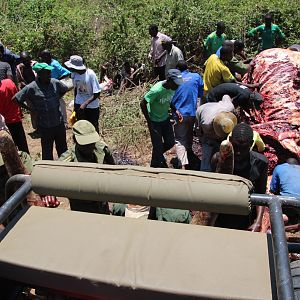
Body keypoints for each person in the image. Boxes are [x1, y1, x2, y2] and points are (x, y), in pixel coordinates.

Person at [214, 123, 268, 231]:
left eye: (243, 148)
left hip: (246, 219)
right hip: (221, 216)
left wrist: (257, 222)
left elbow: (261, 193)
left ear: (251, 144)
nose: (238, 152)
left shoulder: (260, 163)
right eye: (236, 146)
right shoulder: (218, 160)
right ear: (230, 142)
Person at [13, 63, 68, 160]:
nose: (49, 75)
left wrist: (57, 98)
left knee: (63, 151)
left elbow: (65, 89)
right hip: (45, 126)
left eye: (50, 73)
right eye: (47, 73)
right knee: (47, 152)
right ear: (40, 74)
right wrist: (31, 109)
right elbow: (15, 99)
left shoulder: (55, 82)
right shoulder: (31, 87)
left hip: (58, 123)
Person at [59, 120, 114, 213]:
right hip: (81, 207)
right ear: (75, 140)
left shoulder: (103, 149)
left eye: (91, 142)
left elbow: (113, 169)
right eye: (85, 144)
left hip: (102, 203)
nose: (89, 146)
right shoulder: (67, 160)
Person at [140, 69, 183, 168]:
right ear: (169, 80)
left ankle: (157, 155)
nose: (177, 86)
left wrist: (175, 110)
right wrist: (149, 120)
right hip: (154, 121)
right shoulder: (156, 90)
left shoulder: (172, 88)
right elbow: (143, 103)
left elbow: (168, 100)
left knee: (170, 142)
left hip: (165, 119)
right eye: (176, 84)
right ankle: (154, 165)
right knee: (157, 145)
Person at [172, 60, 204, 169]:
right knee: (189, 133)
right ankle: (189, 154)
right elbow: (200, 93)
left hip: (179, 113)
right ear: (187, 68)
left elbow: (169, 97)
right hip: (192, 112)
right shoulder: (196, 77)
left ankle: (183, 165)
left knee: (180, 139)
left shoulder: (174, 79)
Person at [196, 96, 237, 172]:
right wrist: (201, 138)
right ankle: (205, 170)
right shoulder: (206, 124)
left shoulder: (230, 107)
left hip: (214, 109)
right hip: (202, 112)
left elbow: (226, 96)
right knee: (208, 144)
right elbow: (200, 132)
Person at [65, 55, 101, 133]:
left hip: (91, 106)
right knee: (81, 127)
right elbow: (76, 90)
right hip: (79, 105)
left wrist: (85, 104)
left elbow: (97, 93)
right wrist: (75, 105)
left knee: (93, 127)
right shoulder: (74, 74)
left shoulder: (90, 74)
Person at [40, 49, 72, 127]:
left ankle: (64, 122)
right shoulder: (47, 63)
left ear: (47, 56)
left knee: (60, 102)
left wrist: (57, 81)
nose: (42, 59)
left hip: (56, 87)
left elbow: (66, 73)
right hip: (51, 87)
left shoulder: (54, 64)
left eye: (43, 57)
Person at [0, 79, 29, 153]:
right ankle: (27, 161)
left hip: (5, 124)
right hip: (16, 118)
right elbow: (18, 97)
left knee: (11, 150)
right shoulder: (9, 82)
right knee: (23, 146)